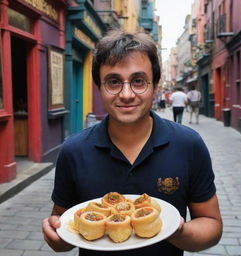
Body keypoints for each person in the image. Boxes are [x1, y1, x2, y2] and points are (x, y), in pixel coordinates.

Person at [42, 30, 222, 256]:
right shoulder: (74, 150)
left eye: (138, 81)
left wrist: (174, 232)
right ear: (99, 88)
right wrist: (56, 236)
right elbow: (64, 228)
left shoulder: (188, 144)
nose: (126, 94)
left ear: (155, 85)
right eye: (114, 82)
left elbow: (212, 225)